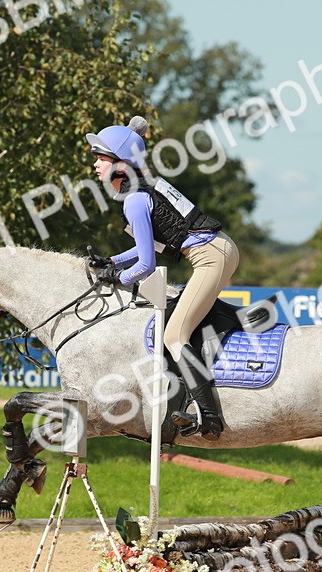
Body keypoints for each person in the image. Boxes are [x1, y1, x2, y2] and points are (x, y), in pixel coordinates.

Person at [86, 116, 238, 441]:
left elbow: (146, 264)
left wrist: (117, 278)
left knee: (173, 336)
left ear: (121, 163)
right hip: (219, 250)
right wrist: (111, 261)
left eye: (101, 158)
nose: (95, 165)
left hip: (211, 258)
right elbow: (151, 244)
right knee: (177, 320)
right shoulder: (144, 187)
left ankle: (210, 418)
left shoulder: (134, 199)